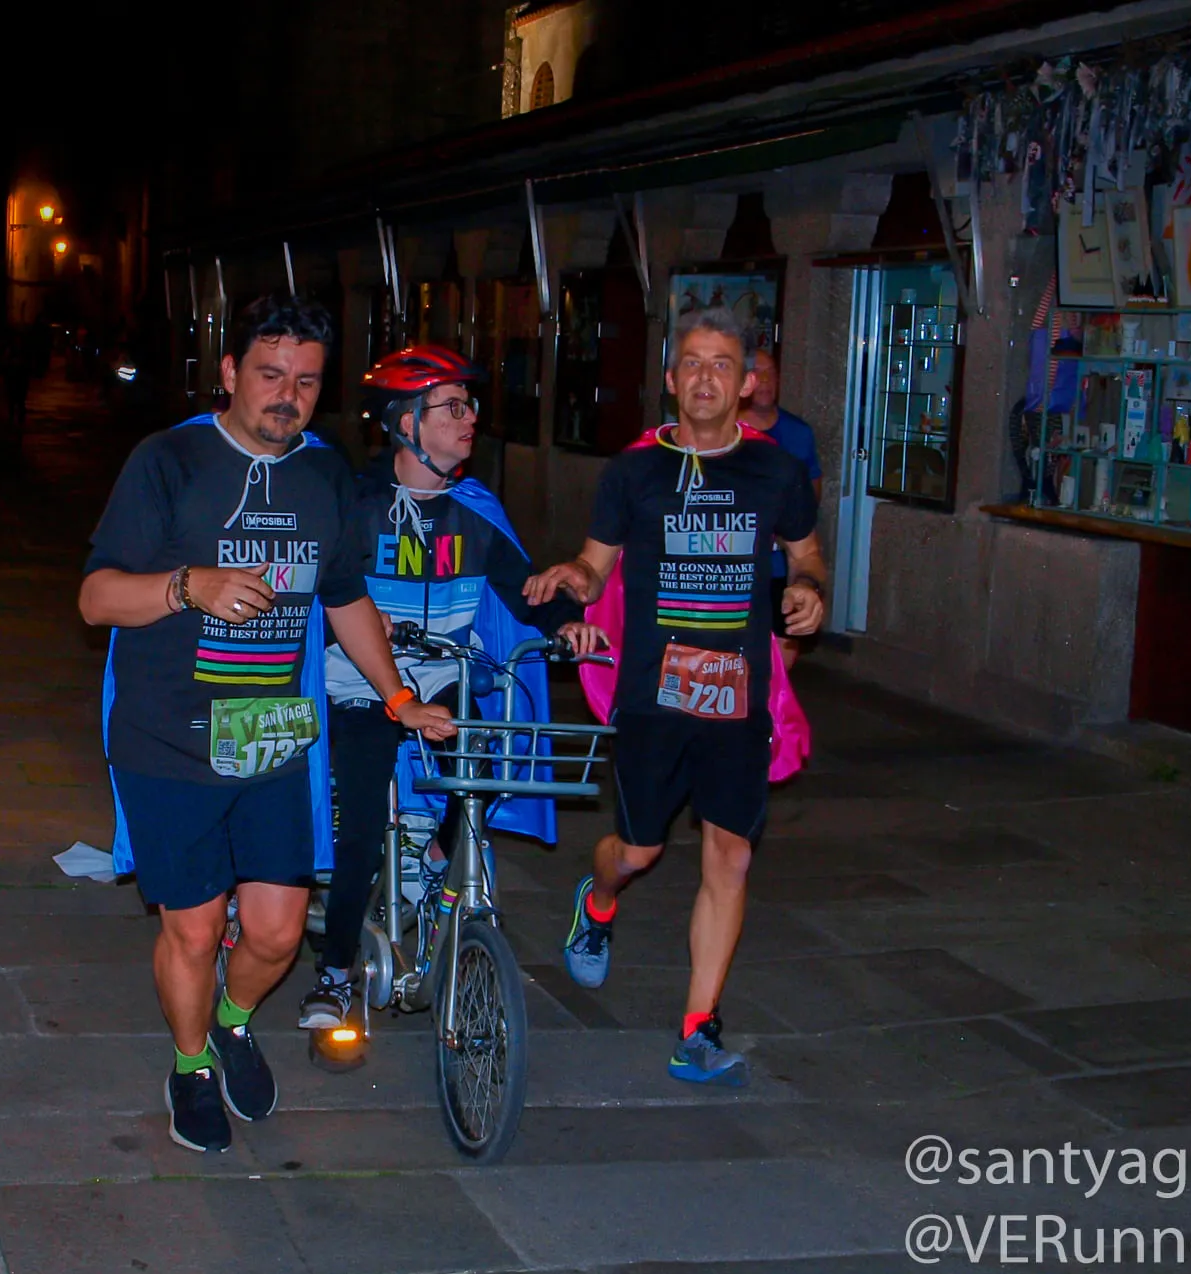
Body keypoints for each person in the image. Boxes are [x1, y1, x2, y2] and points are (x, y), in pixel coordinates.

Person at [79, 296, 455, 1154]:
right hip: (167, 740)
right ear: (229, 373)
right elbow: (95, 597)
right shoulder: (167, 461)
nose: (287, 395)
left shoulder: (325, 475)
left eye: (307, 382)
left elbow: (345, 594)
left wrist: (399, 699)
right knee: (196, 927)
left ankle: (234, 1023)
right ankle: (189, 1063)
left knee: (280, 931)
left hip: (274, 740)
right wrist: (189, 586)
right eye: (270, 374)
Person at [524, 307, 829, 1087]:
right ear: (669, 380)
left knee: (729, 855)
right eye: (691, 363)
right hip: (652, 694)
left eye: (721, 364)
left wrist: (809, 593)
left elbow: (808, 557)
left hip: (738, 698)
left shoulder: (775, 471)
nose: (705, 377)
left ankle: (699, 1026)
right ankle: (597, 902)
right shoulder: (634, 472)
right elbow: (597, 567)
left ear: (746, 382)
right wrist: (573, 579)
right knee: (639, 850)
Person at [299, 344, 604, 1030]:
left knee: (493, 766)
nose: (471, 419)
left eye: (471, 406)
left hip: (449, 677)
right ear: (406, 424)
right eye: (453, 407)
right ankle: (335, 971)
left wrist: (569, 625)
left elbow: (525, 593)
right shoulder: (357, 507)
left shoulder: (475, 512)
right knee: (361, 829)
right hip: (362, 686)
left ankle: (437, 858)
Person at [742, 348, 822, 673]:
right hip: (736, 570)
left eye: (771, 372)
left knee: (779, 664)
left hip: (781, 567)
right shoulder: (725, 434)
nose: (765, 381)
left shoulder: (798, 433)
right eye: (757, 372)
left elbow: (811, 495)